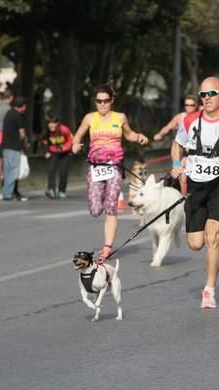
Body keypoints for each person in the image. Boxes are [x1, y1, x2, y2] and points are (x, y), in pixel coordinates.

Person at [170, 77, 219, 309]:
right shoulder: (190, 120)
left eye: (212, 93)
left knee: (212, 237)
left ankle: (209, 289)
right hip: (195, 184)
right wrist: (176, 162)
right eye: (203, 95)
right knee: (195, 243)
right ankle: (211, 254)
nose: (207, 98)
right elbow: (177, 144)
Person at [72, 83, 149, 262]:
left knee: (111, 207)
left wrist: (138, 137)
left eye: (106, 101)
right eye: (99, 101)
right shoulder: (90, 118)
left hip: (114, 165)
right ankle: (102, 202)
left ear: (112, 100)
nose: (102, 105)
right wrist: (75, 145)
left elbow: (128, 134)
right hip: (96, 166)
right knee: (95, 209)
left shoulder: (120, 117)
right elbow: (77, 136)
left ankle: (107, 247)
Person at [154, 95, 199, 195]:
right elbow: (168, 127)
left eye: (192, 105)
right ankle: (183, 198)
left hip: (198, 151)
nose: (189, 108)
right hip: (184, 151)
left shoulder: (201, 117)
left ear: (196, 106)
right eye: (186, 105)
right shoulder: (180, 117)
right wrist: (160, 135)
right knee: (181, 174)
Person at [1, 96, 28, 201]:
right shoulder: (18, 116)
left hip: (5, 147)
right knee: (13, 172)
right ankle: (8, 194)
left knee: (8, 171)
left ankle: (8, 192)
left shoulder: (8, 113)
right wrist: (25, 144)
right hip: (14, 147)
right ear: (23, 106)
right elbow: (22, 134)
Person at [43, 115, 73, 199]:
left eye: (53, 123)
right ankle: (51, 189)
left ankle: (62, 190)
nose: (51, 125)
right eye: (49, 123)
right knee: (51, 170)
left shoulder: (64, 129)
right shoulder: (46, 131)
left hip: (64, 153)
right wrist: (46, 152)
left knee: (63, 173)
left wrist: (65, 147)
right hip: (53, 152)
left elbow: (71, 139)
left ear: (57, 123)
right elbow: (45, 142)